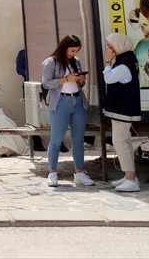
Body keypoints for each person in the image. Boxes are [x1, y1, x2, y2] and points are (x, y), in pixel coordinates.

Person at [41, 34, 94, 187]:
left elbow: (78, 84)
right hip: (60, 101)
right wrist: (66, 79)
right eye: (72, 50)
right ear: (64, 47)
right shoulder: (51, 62)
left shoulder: (76, 61)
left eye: (76, 51)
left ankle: (79, 172)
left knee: (78, 139)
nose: (73, 54)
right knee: (57, 139)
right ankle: (52, 172)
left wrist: (80, 81)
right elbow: (46, 83)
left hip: (77, 100)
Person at [102, 32, 142, 192]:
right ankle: (129, 176)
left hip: (123, 110)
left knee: (120, 142)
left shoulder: (125, 63)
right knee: (125, 142)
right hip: (123, 109)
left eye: (111, 46)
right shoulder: (126, 60)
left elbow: (109, 78)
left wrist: (107, 62)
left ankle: (131, 179)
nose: (109, 49)